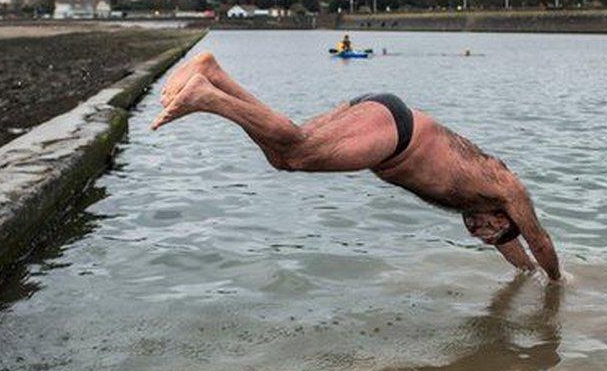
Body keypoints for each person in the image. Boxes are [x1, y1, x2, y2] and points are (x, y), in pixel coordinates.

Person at [152, 52, 562, 281]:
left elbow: (517, 251)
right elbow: (538, 242)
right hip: (398, 132)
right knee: (297, 152)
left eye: (485, 239)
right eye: (490, 231)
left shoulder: (483, 204)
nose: (479, 234)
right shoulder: (507, 187)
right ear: (503, 216)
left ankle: (214, 76)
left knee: (283, 154)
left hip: (386, 126)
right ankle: (207, 97)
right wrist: (559, 285)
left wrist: (528, 280)